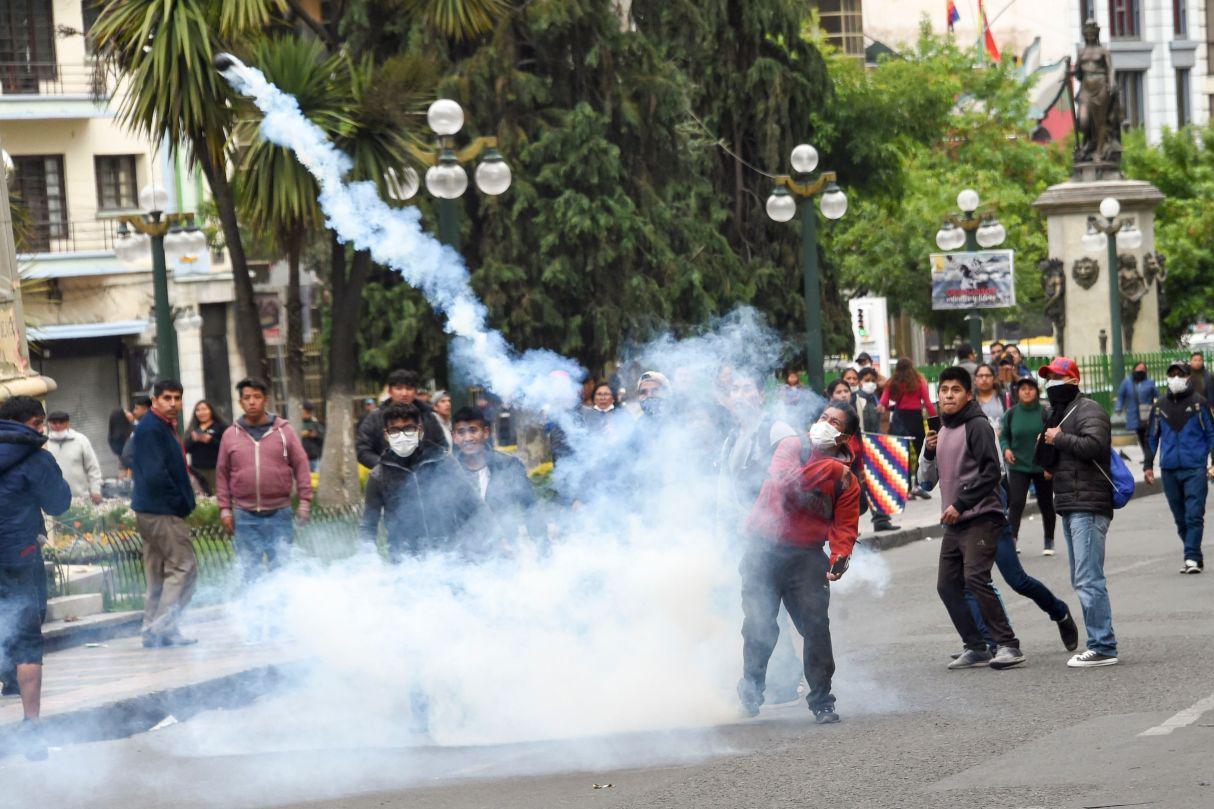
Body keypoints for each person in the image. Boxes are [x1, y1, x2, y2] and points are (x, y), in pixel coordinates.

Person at [739, 402, 862, 723]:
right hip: (763, 549)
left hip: (806, 555)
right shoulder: (792, 445)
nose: (824, 423)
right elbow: (783, 481)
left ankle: (822, 700)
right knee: (759, 626)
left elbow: (845, 527)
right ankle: (751, 686)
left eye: (833, 422)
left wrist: (839, 557)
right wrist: (831, 470)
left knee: (816, 627)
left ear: (844, 436)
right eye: (823, 417)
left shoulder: (847, 480)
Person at [919, 366, 1024, 671]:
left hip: (982, 516)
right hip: (955, 521)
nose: (948, 395)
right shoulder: (940, 431)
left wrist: (962, 503)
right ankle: (976, 645)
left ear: (967, 395)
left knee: (976, 578)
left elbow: (992, 472)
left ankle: (1008, 645)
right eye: (944, 390)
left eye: (955, 390)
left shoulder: (977, 426)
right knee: (947, 585)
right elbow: (926, 483)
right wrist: (927, 453)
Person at [1034, 357, 1119, 668]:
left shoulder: (1089, 409)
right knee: (1082, 576)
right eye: (1048, 378)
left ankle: (1103, 645)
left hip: (1089, 503)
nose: (1051, 383)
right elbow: (1054, 459)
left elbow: (1095, 446)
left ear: (1073, 379)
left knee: (1088, 577)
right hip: (1070, 503)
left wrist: (1060, 438)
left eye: (1057, 377)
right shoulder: (1057, 413)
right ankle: (1099, 642)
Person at [0, 396, 71, 760]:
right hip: (19, 558)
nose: (42, 430)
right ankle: (31, 725)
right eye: (39, 424)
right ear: (30, 423)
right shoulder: (37, 457)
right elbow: (59, 504)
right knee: (26, 637)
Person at [216, 378, 313, 582]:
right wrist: (225, 509)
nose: (252, 402)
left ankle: (280, 612)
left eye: (257, 397)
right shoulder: (230, 435)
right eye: (247, 397)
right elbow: (222, 474)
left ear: (265, 400)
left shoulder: (284, 431)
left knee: (281, 571)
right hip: (245, 515)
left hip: (279, 514)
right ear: (240, 402)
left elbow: (301, 464)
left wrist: (305, 501)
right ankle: (253, 613)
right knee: (250, 572)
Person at [360, 403, 485, 561]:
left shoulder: (444, 463)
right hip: (405, 563)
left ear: (419, 431)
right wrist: (367, 557)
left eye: (408, 429)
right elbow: (368, 525)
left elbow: (474, 505)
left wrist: (496, 539)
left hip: (450, 557)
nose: (402, 435)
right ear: (386, 435)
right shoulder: (379, 475)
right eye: (395, 431)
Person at [129, 379, 198, 648]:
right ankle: (161, 627)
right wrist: (180, 501)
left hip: (152, 509)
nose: (173, 403)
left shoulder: (160, 426)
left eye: (177, 398)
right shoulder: (151, 428)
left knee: (158, 572)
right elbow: (157, 474)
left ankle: (155, 628)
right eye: (167, 398)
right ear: (155, 400)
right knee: (185, 567)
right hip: (162, 510)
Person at [1143, 361, 1214, 574]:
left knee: (1194, 514)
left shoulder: (1199, 404)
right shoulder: (1159, 407)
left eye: (1179, 374)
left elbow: (1211, 434)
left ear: (1188, 377)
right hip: (1169, 469)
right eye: (1171, 374)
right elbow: (1152, 437)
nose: (1175, 378)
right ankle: (1195, 555)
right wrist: (1148, 465)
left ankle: (1190, 557)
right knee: (1180, 517)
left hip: (1195, 468)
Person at [451, 406, 541, 543]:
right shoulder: (450, 472)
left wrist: (543, 549)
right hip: (465, 554)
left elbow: (530, 508)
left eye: (473, 430)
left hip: (507, 550)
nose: (467, 438)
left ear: (486, 432)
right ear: (454, 437)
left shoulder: (509, 465)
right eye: (461, 432)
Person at [1001, 378, 1057, 555]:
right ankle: (1013, 539)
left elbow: (1053, 438)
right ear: (1018, 392)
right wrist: (1006, 449)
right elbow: (1004, 436)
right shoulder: (1011, 414)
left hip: (1042, 466)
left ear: (1036, 392)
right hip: (1018, 465)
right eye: (1023, 389)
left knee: (1046, 503)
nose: (1027, 392)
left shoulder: (1045, 413)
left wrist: (1051, 466)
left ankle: (1049, 540)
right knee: (1016, 502)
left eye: (1030, 389)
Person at [357, 370, 446, 467]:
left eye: (409, 388)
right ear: (390, 391)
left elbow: (442, 445)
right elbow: (363, 450)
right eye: (399, 388)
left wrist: (429, 468)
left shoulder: (428, 416)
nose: (404, 393)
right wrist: (385, 467)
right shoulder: (375, 418)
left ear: (415, 391)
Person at [879, 357, 937, 500]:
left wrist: (894, 407)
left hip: (899, 419)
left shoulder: (892, 383)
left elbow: (883, 404)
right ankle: (917, 485)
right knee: (919, 452)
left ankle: (906, 489)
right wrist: (935, 421)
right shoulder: (919, 381)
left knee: (901, 453)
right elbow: (928, 403)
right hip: (915, 419)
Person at [854, 368, 898, 533]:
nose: (870, 383)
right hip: (862, 446)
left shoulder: (875, 397)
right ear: (860, 381)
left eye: (873, 379)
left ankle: (881, 519)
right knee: (863, 485)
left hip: (877, 444)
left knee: (878, 483)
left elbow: (889, 385)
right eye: (866, 379)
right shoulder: (856, 399)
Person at [44, 411, 102, 504]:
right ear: (49, 425)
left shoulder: (81, 440)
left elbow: (93, 467)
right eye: (54, 422)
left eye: (61, 422)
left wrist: (95, 490)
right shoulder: (44, 444)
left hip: (81, 499)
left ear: (67, 424)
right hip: (54, 501)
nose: (58, 425)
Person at [1115, 362, 1158, 456]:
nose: (1141, 371)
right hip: (1134, 414)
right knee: (1140, 435)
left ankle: (1149, 456)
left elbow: (1157, 395)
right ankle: (1147, 455)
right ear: (1134, 369)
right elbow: (1121, 395)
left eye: (1143, 369)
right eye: (1139, 368)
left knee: (1148, 435)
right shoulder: (1126, 382)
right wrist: (1118, 408)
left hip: (1148, 413)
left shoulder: (1150, 382)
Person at [185, 401, 226, 495]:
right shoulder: (193, 428)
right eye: (198, 410)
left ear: (211, 411)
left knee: (217, 497)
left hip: (216, 470)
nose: (201, 412)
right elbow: (186, 449)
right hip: (197, 470)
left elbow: (226, 448)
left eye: (204, 409)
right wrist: (193, 440)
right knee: (201, 499)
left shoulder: (221, 427)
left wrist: (211, 440)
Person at [972, 364, 1008, 442]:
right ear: (975, 380)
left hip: (1003, 443)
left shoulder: (1005, 397)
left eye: (987, 375)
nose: (984, 379)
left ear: (994, 379)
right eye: (980, 376)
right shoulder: (970, 401)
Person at [119, 394, 152, 473]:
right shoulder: (139, 426)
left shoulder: (148, 428)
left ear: (145, 410)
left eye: (136, 408)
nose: (134, 411)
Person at [298, 401, 325, 472]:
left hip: (314, 458)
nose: (306, 414)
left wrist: (314, 434)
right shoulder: (296, 423)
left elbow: (322, 436)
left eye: (308, 412)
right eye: (305, 412)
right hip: (300, 459)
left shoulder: (315, 423)